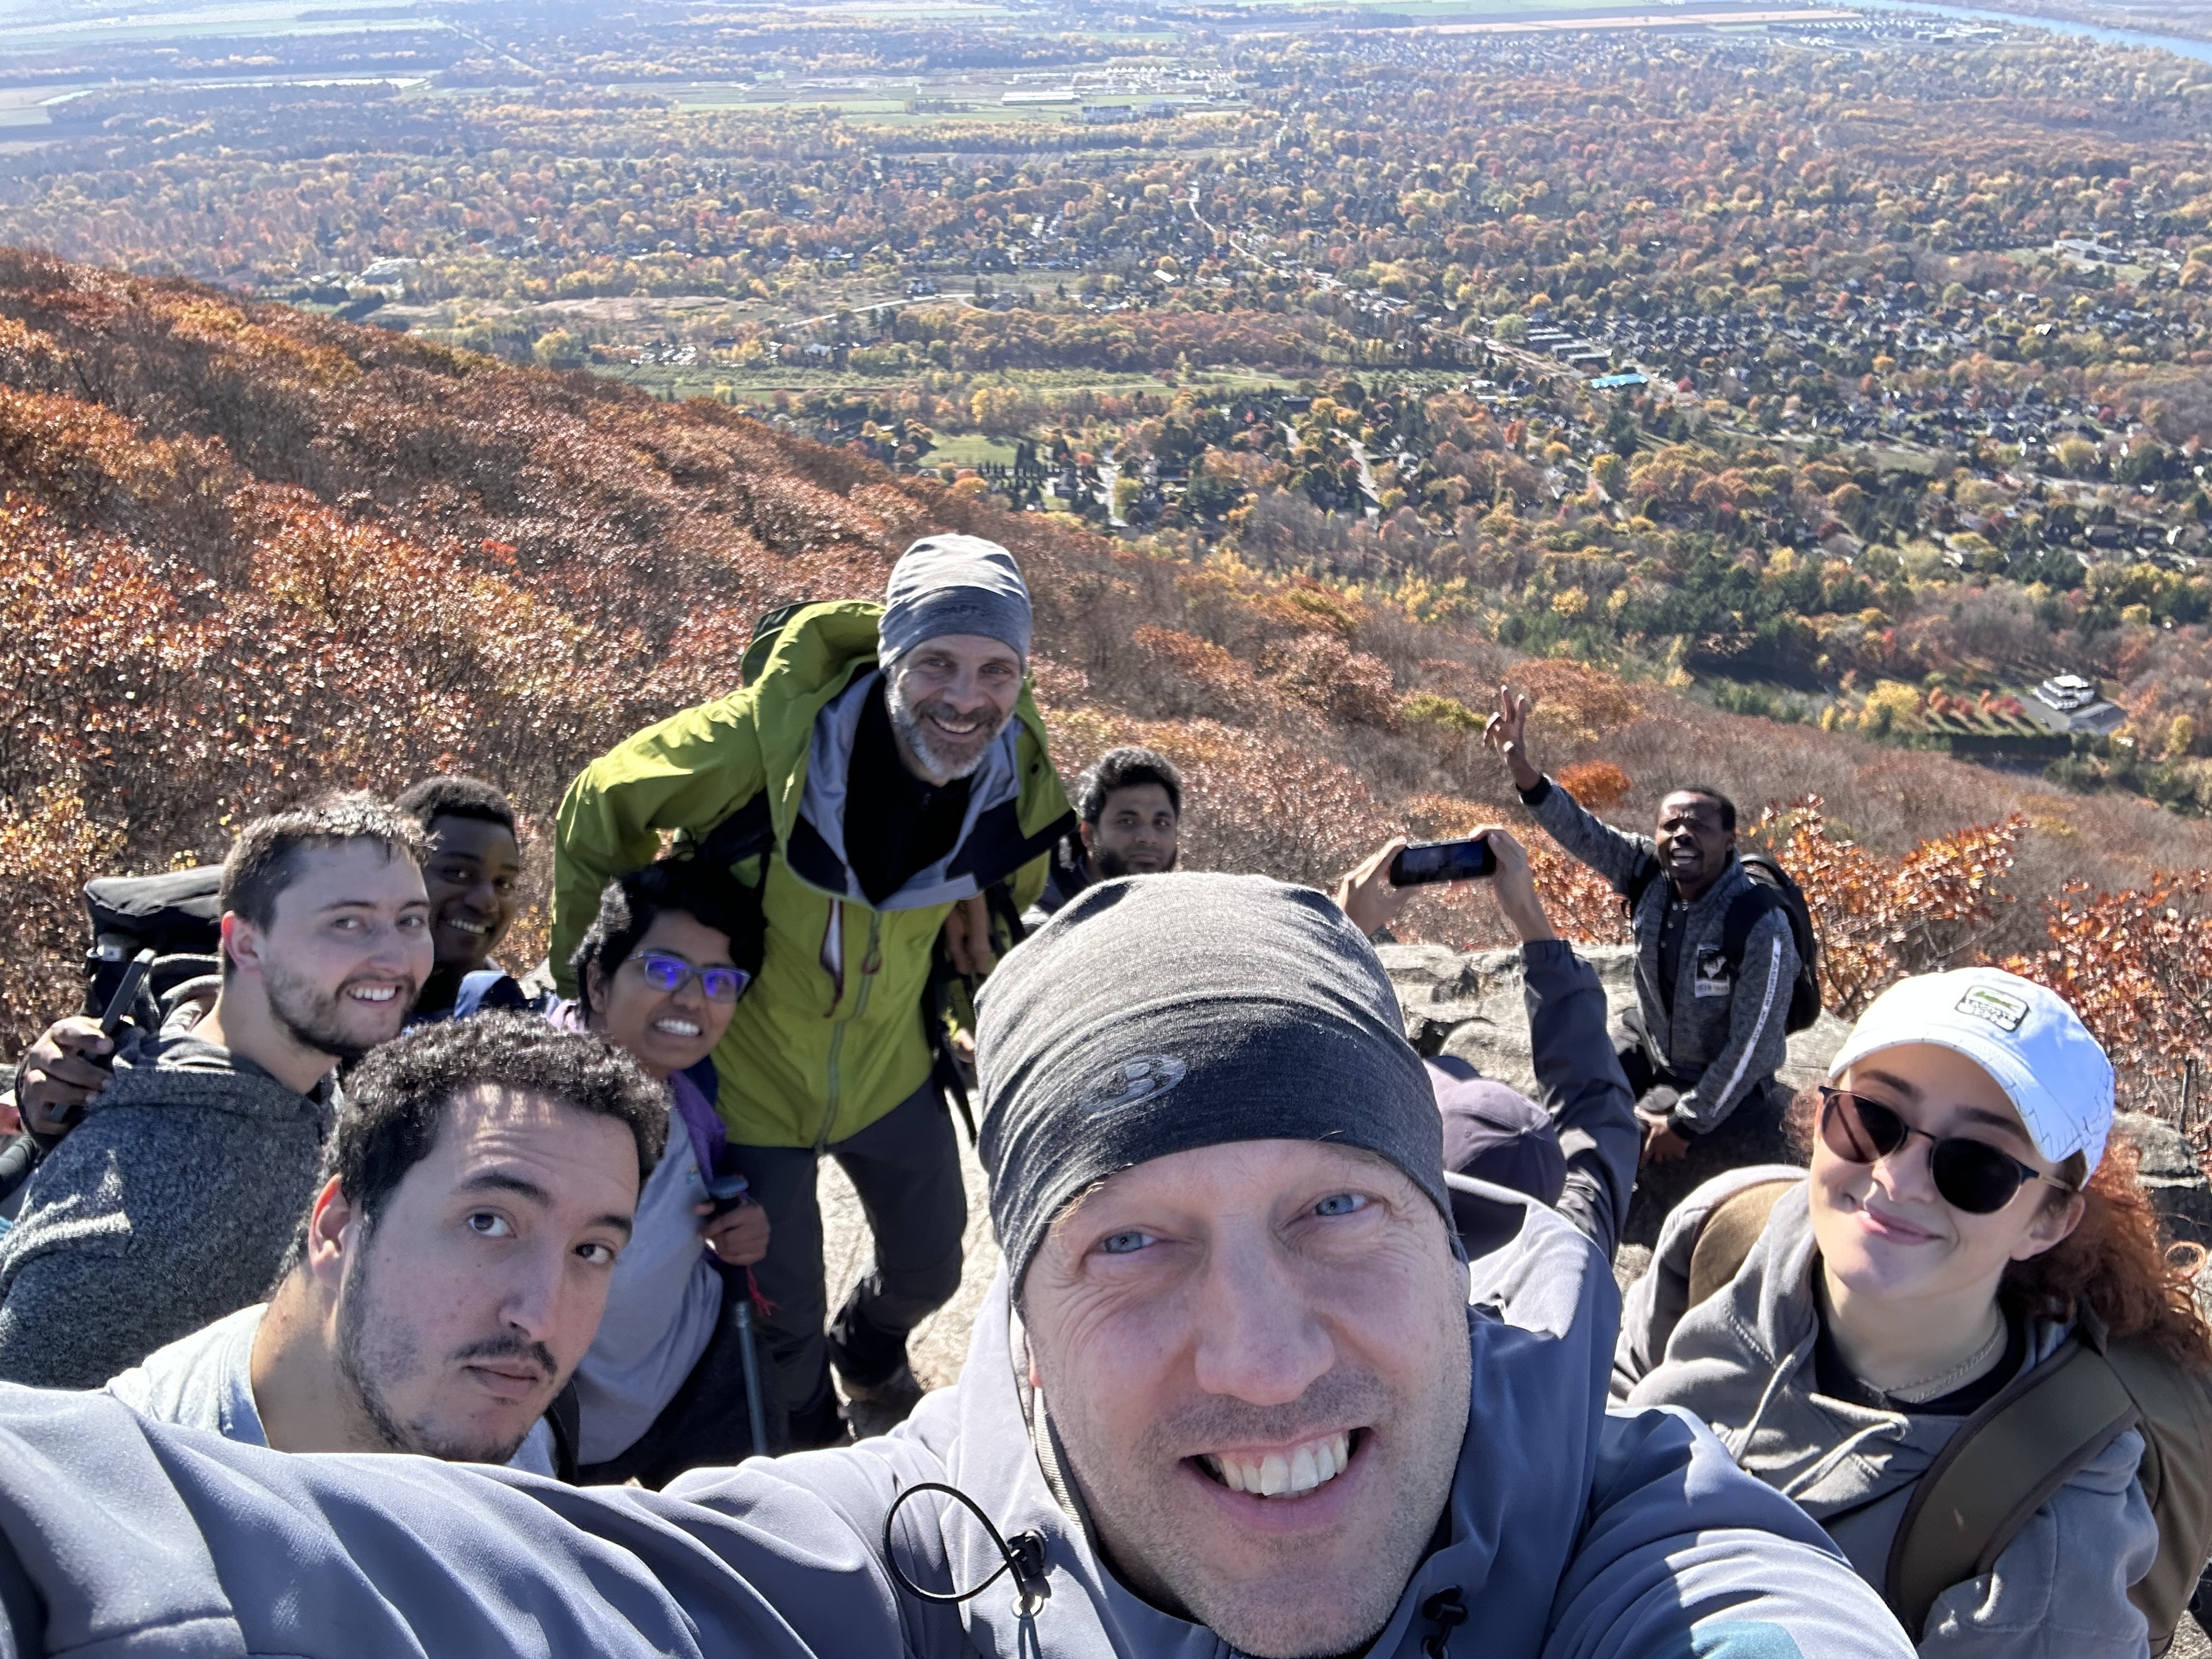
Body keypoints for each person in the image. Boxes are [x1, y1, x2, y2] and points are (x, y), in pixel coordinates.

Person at [0, 873, 1915, 1659]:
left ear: (1441, 1232)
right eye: (1131, 1241)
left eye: (1336, 1207)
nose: (1258, 1358)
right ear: (1015, 1300)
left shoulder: (1634, 1507)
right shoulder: (891, 1566)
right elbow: (368, 1577)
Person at [551, 534, 1073, 1445]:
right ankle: (808, 1433)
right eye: (936, 662)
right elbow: (601, 803)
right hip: (753, 1084)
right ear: (890, 653)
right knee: (777, 1302)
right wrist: (612, 976)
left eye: (995, 669)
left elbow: (1013, 872)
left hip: (889, 1071)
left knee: (930, 1265)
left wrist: (969, 953)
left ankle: (867, 1344)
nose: (964, 697)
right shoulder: (763, 742)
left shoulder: (1012, 763)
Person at [1614, 967, 2212, 1655]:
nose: (1896, 1178)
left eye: (1977, 1164)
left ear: (2046, 1222)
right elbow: (1613, 1420)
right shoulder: (1726, 1233)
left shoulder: (2046, 1551)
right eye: (1873, 1119)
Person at [104, 1015, 663, 1478]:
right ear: (338, 1227)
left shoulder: (522, 1423)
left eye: (591, 1251)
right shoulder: (122, 1493)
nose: (540, 1318)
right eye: (488, 1223)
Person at [0, 794, 432, 1389]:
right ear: (246, 944)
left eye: (411, 920)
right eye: (347, 922)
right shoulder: (145, 1220)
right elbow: (28, 1442)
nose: (393, 957)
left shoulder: (300, 1080)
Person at [1485, 683, 1802, 1242]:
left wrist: (1687, 1121)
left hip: (1709, 1075)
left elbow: (1754, 1043)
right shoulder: (1648, 872)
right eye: (1670, 825)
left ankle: (1573, 1234)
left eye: (1700, 826)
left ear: (1730, 840)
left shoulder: (1758, 921)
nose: (1682, 834)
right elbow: (1582, 832)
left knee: (1620, 1139)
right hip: (1651, 1044)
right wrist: (1522, 768)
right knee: (1572, 1092)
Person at [565, 857, 783, 1482]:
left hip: (694, 1391)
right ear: (599, 984)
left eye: (720, 983)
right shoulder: (532, 1113)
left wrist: (739, 1235)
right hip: (563, 1433)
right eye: (663, 970)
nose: (692, 999)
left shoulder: (691, 1094)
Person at [1335, 830, 1641, 1259]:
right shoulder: (1576, 1247)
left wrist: (1339, 936)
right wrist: (1529, 914)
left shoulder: (1367, 1282)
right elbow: (1594, 1100)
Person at [395, 775, 534, 1023]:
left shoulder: (515, 1027)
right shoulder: (328, 1018)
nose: (486, 902)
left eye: (503, 883)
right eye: (458, 873)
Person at [1023, 744, 1182, 926]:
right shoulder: (1040, 928)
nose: (1147, 837)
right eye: (1127, 821)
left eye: (1161, 823)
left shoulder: (1185, 918)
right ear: (1089, 835)